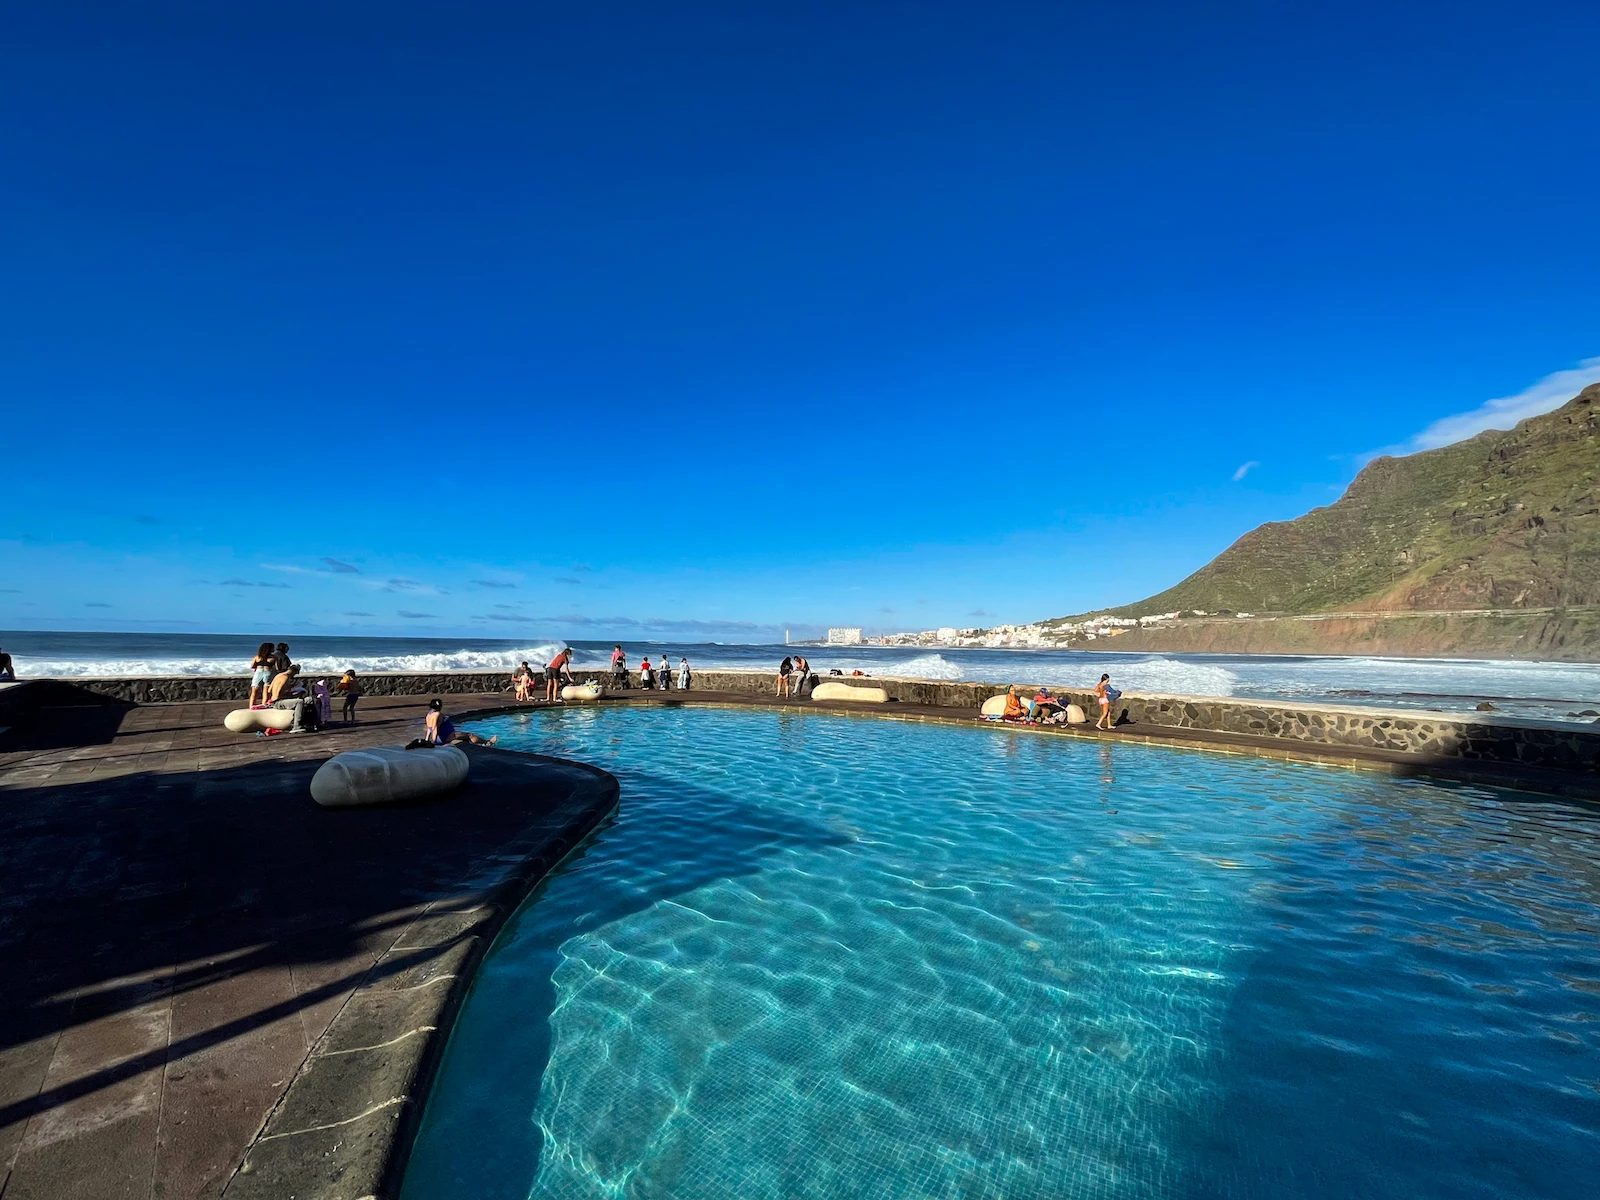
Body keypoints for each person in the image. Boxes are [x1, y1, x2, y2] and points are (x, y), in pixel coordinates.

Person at [421, 698, 497, 747]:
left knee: (464, 738)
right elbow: (434, 728)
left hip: (443, 736)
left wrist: (427, 740)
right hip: (445, 736)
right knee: (469, 735)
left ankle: (480, 745)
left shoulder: (429, 715)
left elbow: (429, 728)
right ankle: (487, 743)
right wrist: (434, 743)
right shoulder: (437, 714)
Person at [248, 641, 274, 707]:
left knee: (254, 691)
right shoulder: (273, 658)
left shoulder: (257, 657)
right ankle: (264, 705)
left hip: (258, 672)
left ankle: (251, 705)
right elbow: (277, 668)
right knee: (266, 691)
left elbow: (252, 666)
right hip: (268, 672)